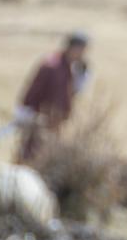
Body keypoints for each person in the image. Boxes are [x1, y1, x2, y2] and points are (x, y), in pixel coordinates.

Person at [16, 32, 90, 163]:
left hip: (55, 122)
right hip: (40, 119)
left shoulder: (71, 67)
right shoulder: (51, 66)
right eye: (82, 50)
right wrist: (28, 113)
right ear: (73, 48)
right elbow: (34, 91)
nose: (83, 54)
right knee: (31, 154)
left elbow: (73, 93)